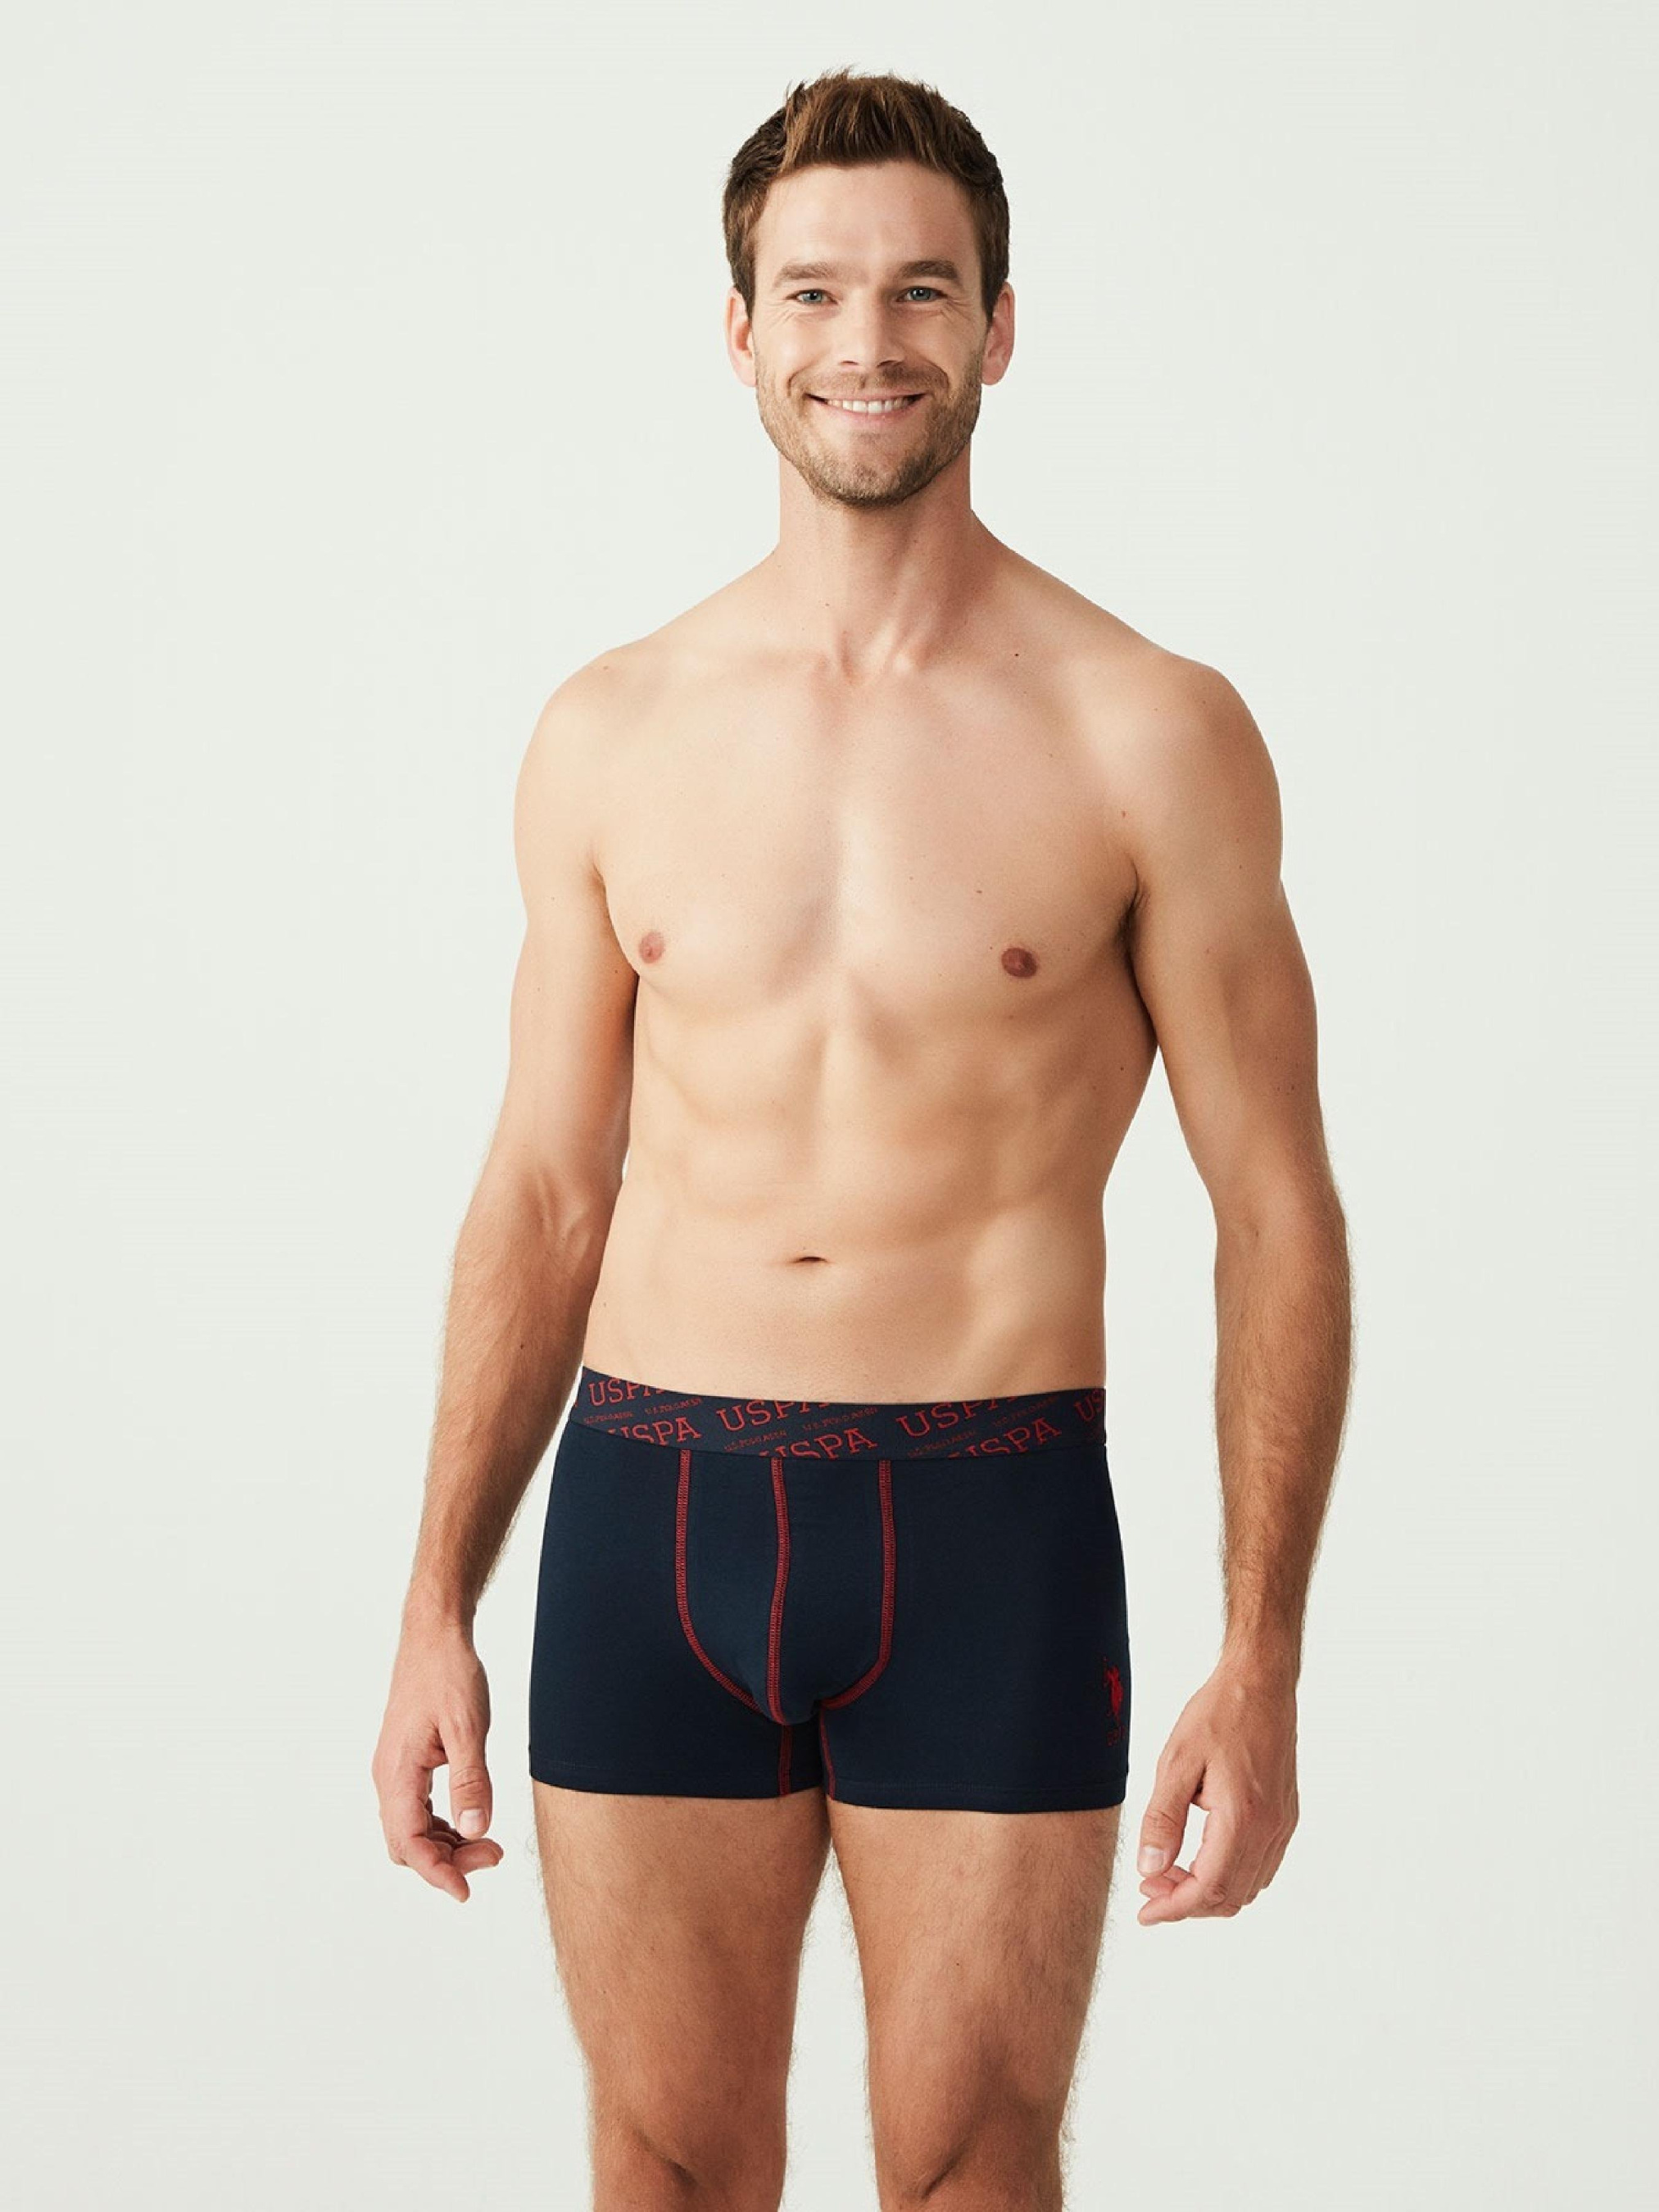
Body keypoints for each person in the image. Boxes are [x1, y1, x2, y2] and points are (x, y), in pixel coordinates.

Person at [372, 65, 1353, 2211]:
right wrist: (436, 1598)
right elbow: (542, 1189)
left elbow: (1274, 1208)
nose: (867, 340)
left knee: (974, 2169)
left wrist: (1262, 1651)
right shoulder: (611, 729)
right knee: (661, 2166)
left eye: (921, 289)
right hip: (651, 1511)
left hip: (990, 1517)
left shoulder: (1147, 728)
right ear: (740, 331)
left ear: (999, 325)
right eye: (814, 291)